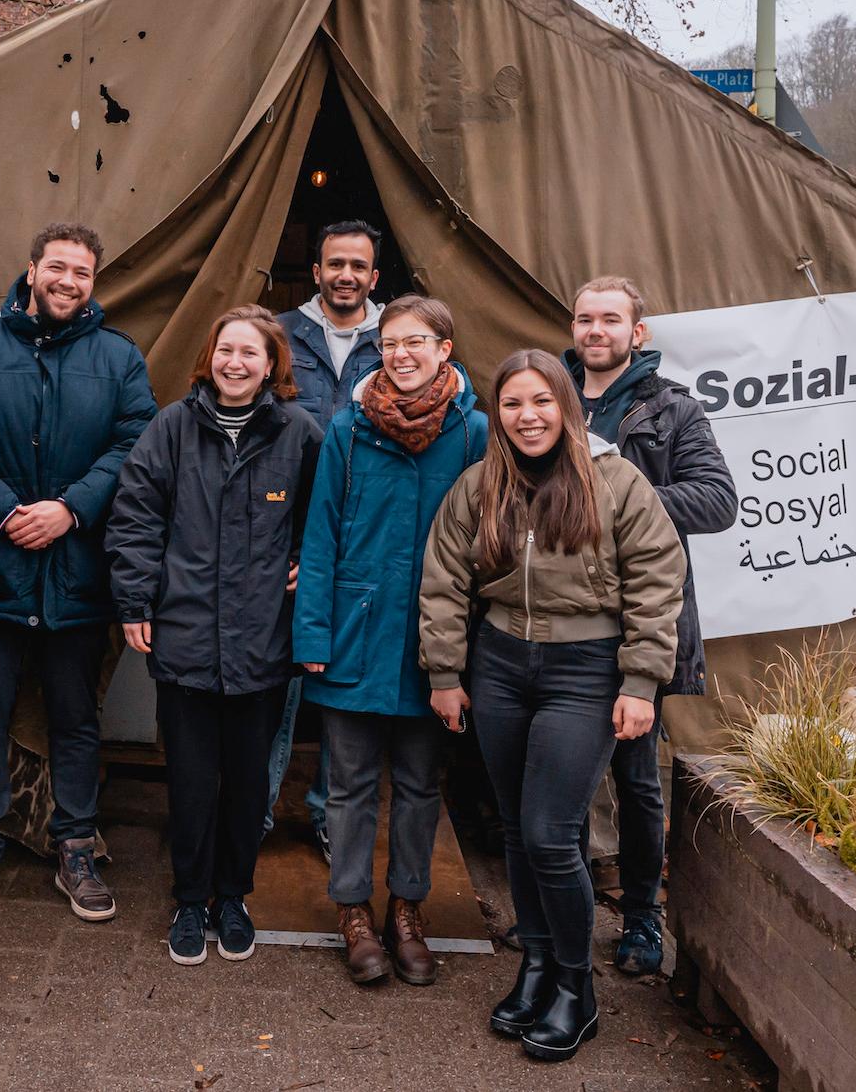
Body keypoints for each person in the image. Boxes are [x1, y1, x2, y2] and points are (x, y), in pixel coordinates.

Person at [418, 350, 685, 1063]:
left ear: (565, 406)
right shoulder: (479, 485)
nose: (526, 415)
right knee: (514, 826)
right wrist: (445, 670)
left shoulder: (614, 483)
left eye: (540, 401)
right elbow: (443, 579)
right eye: (511, 403)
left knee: (547, 831)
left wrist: (640, 681)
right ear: (496, 413)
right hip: (500, 663)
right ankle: (534, 965)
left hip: (585, 668)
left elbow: (658, 581)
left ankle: (576, 986)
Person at [0, 222, 156, 924]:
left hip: (78, 574)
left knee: (76, 719)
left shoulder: (118, 357)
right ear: (31, 270)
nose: (68, 281)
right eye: (57, 267)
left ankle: (76, 842)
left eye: (82, 272)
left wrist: (70, 508)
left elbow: (134, 440)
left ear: (93, 282)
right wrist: (4, 510)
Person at [107, 306, 323, 965]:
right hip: (187, 637)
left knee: (248, 782)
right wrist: (136, 598)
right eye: (226, 349)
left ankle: (234, 895)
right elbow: (135, 515)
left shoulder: (299, 433)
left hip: (262, 644)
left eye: (250, 353)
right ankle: (190, 898)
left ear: (270, 364)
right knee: (193, 780)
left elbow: (326, 520)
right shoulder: (171, 428)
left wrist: (305, 564)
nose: (236, 362)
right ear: (211, 356)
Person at [292, 294, 486, 988]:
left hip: (433, 644)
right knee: (345, 786)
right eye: (391, 342)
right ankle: (351, 910)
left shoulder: (475, 434)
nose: (400, 353)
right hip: (352, 634)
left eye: (416, 342)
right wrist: (311, 629)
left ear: (444, 349)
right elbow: (320, 534)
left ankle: (406, 907)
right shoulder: (348, 428)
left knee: (416, 784)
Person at [564, 276, 736, 975]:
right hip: (559, 625)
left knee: (636, 781)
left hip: (638, 619)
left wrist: (614, 501)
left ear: (638, 333)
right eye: (584, 318)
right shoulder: (548, 397)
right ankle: (561, 912)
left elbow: (716, 499)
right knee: (558, 781)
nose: (594, 330)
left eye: (610, 319)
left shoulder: (671, 409)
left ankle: (641, 918)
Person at [269, 221, 387, 862]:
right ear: (315, 271)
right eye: (334, 262)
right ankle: (256, 811)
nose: (346, 274)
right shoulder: (279, 335)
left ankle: (326, 815)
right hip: (287, 538)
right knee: (278, 683)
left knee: (347, 688)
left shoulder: (400, 340)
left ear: (375, 276)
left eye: (358, 265)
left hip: (367, 542)